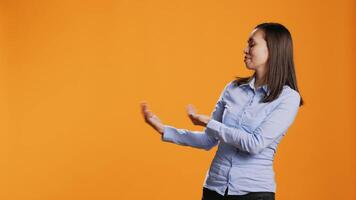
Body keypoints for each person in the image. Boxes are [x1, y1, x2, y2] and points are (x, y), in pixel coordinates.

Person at [140, 22, 304, 200]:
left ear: (272, 49)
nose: (245, 49)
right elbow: (208, 139)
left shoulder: (288, 98)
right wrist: (163, 129)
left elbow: (255, 144)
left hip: (254, 193)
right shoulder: (233, 88)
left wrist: (210, 123)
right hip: (214, 189)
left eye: (252, 44)